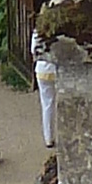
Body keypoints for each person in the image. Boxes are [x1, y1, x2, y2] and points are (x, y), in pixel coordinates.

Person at [32, 21, 60, 149]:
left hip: (41, 70)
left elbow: (33, 50)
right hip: (56, 70)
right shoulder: (58, 30)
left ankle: (49, 138)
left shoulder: (37, 33)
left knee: (47, 105)